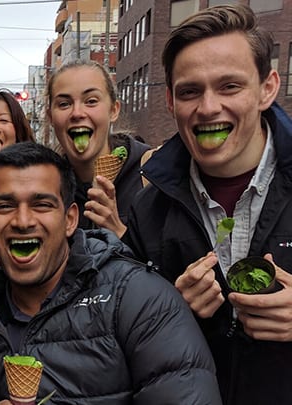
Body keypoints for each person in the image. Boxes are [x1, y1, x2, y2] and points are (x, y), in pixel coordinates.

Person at [0, 142, 222, 404]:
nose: (23, 221)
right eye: (5, 206)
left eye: (42, 204)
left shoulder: (139, 301)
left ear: (70, 219)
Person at [123, 5, 292, 404]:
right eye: (190, 91)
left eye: (229, 86)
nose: (208, 107)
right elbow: (120, 345)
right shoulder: (147, 212)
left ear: (267, 88)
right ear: (170, 101)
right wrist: (170, 313)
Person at [47, 60, 150, 236]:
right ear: (50, 117)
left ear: (114, 110)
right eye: (64, 104)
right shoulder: (48, 185)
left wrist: (118, 230)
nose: (77, 113)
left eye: (91, 101)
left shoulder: (152, 171)